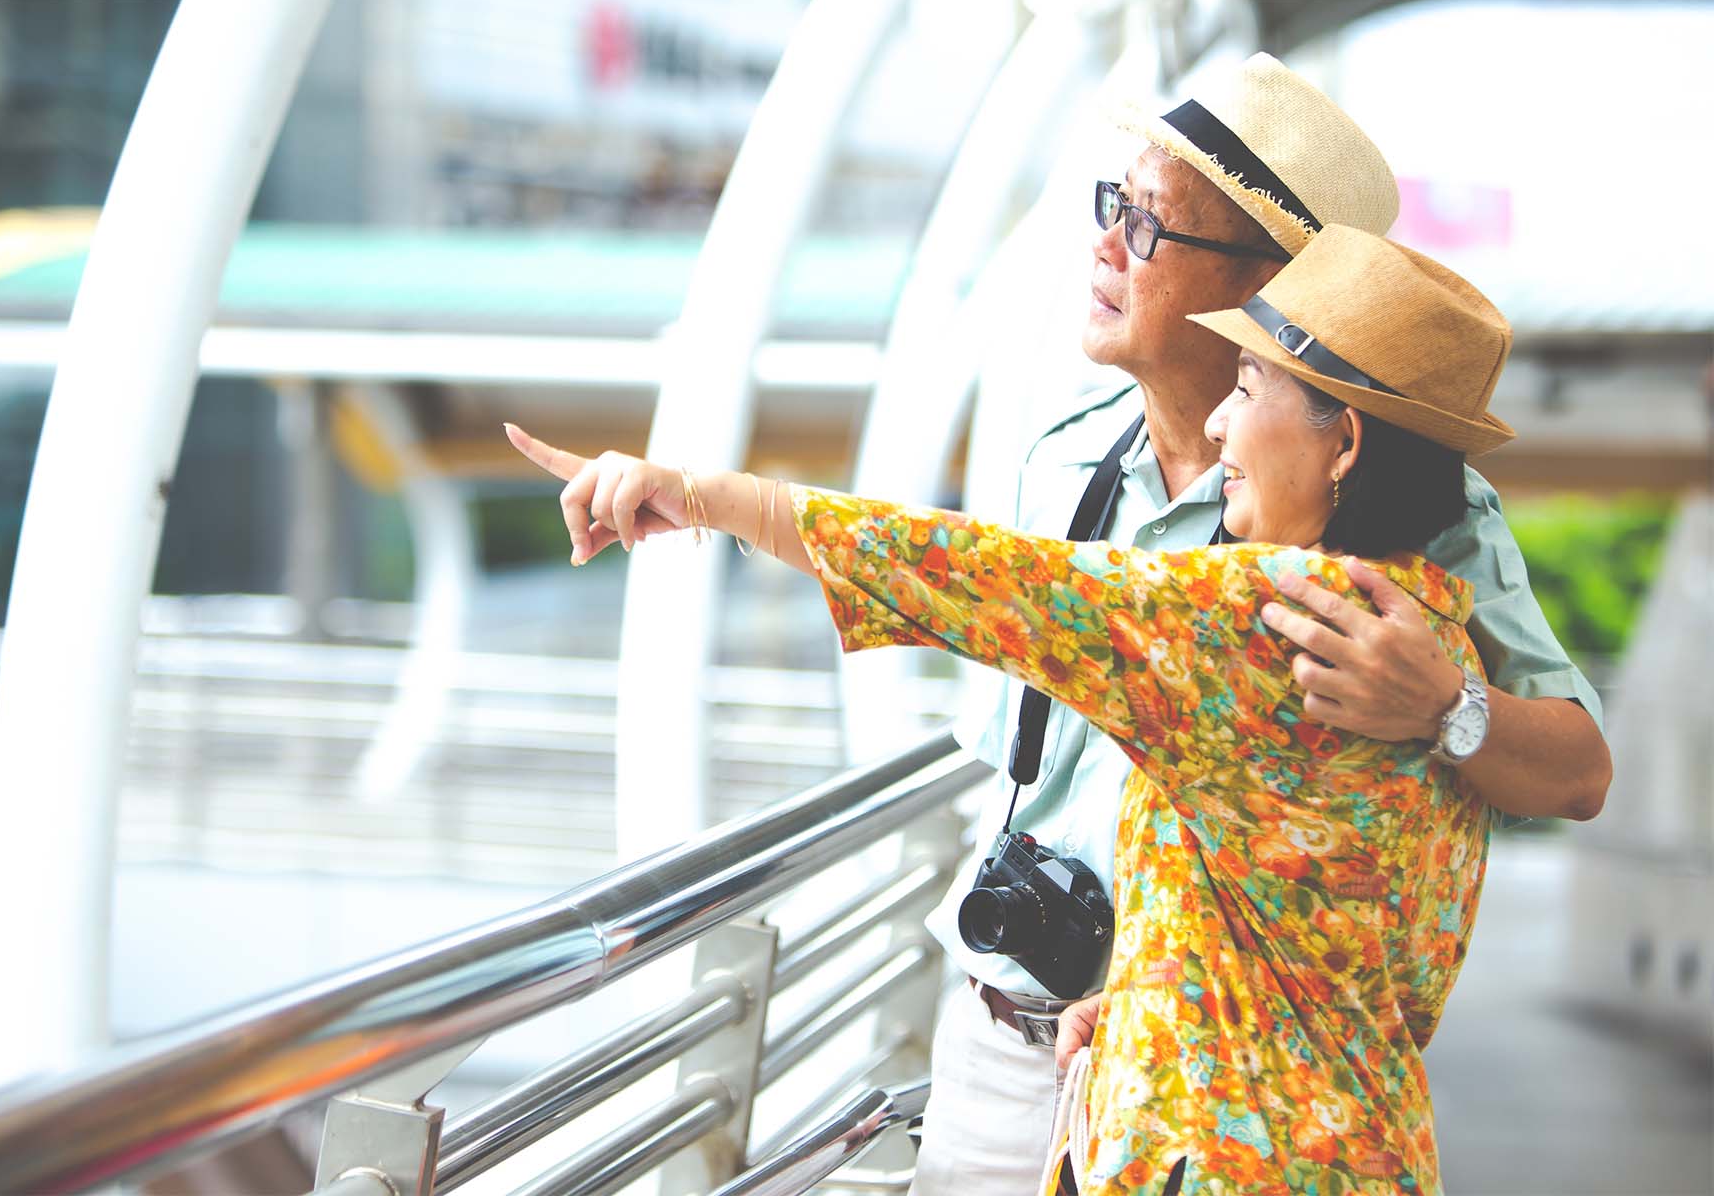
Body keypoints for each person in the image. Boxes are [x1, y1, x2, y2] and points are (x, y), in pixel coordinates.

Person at [501, 222, 1544, 1193]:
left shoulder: (1250, 626)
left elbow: (975, 579)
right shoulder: (1441, 649)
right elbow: (1344, 954)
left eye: (1254, 385)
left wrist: (700, 496)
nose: (1223, 419)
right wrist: (1143, 1000)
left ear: (1344, 445)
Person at [905, 52, 1608, 1195]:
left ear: (1265, 283)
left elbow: (1579, 773)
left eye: (1149, 227)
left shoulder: (1423, 522)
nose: (1103, 247)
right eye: (1111, 207)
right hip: (1003, 1036)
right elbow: (1023, 771)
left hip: (1221, 1089)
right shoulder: (1064, 466)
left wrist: (1449, 707)